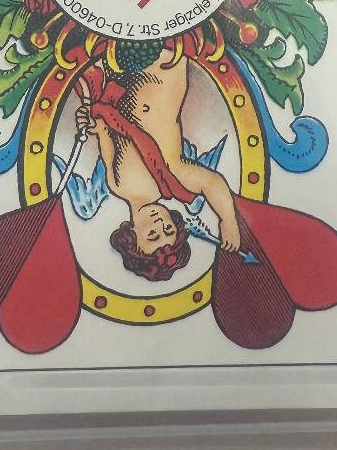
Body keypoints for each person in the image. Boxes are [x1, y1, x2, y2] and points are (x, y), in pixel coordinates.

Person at [74, 42, 242, 282]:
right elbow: (211, 183)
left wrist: (90, 122)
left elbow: (103, 130)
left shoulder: (117, 186)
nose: (159, 224)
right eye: (168, 229)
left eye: (152, 235)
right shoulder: (172, 177)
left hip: (121, 71)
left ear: (131, 235)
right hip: (164, 66)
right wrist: (228, 221)